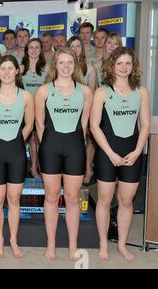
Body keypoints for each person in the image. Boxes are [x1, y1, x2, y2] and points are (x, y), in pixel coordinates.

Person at [90, 47, 150, 262]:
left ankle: (122, 244)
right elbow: (94, 126)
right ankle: (103, 243)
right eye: (120, 63)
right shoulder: (102, 92)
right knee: (104, 200)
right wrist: (110, 153)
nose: (124, 68)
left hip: (132, 153)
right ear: (112, 66)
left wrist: (136, 152)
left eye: (128, 63)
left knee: (126, 201)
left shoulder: (141, 91)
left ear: (133, 66)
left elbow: (145, 125)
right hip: (108, 153)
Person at [35, 48, 93, 261]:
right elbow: (39, 125)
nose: (66, 66)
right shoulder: (43, 91)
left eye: (70, 62)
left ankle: (72, 246)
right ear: (55, 66)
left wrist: (73, 143)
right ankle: (51, 244)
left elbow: (85, 126)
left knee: (71, 199)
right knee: (51, 198)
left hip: (75, 148)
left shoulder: (86, 92)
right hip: (50, 147)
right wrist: (48, 146)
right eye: (62, 62)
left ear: (75, 65)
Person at [0, 55, 34, 259]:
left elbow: (29, 124)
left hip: (17, 153)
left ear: (17, 71)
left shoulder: (26, 96)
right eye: (2, 69)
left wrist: (16, 139)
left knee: (14, 199)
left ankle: (13, 239)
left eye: (10, 68)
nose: (6, 72)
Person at [67, 36, 97, 185]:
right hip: (67, 112)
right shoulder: (64, 68)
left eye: (78, 46)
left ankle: (87, 169)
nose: (75, 49)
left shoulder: (90, 68)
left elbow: (91, 93)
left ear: (82, 49)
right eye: (72, 46)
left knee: (88, 140)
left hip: (85, 110)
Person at [21, 38, 48, 179]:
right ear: (27, 50)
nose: (34, 50)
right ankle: (32, 168)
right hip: (25, 109)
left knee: (41, 139)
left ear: (41, 50)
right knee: (30, 139)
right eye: (31, 47)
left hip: (42, 109)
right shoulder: (20, 68)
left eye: (37, 47)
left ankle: (44, 167)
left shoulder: (47, 68)